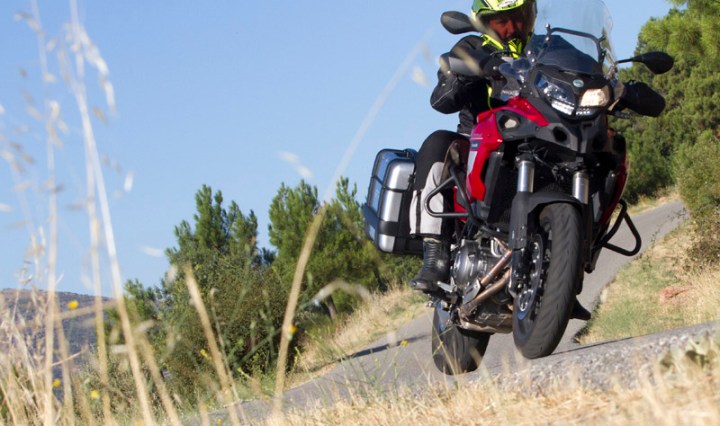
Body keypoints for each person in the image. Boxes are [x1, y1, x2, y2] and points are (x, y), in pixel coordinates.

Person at [409, 0, 536, 292]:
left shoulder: (543, 48)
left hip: (537, 139)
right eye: (501, 21)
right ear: (483, 23)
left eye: (518, 17)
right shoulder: (472, 46)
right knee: (438, 143)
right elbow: (441, 100)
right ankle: (435, 254)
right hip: (480, 141)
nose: (512, 28)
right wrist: (471, 72)